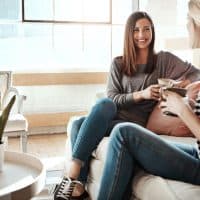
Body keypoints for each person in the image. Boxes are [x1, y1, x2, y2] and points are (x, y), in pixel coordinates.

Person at [54, 11, 200, 200]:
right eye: (136, 30)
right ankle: (78, 185)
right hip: (114, 118)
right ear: (129, 34)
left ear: (152, 32)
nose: (142, 35)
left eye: (146, 29)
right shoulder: (118, 63)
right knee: (94, 112)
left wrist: (181, 83)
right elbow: (113, 98)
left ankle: (72, 178)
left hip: (137, 124)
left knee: (81, 124)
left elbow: (196, 73)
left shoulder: (163, 60)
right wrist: (141, 94)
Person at [97, 89, 200, 200]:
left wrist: (184, 111)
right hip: (197, 150)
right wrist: (189, 108)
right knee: (130, 144)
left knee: (124, 133)